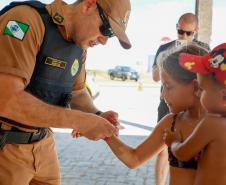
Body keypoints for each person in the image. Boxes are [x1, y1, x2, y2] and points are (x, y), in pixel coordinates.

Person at [0, 0, 131, 184]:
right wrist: (80, 121)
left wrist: (97, 115)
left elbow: (77, 93)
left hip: (44, 145)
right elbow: (6, 100)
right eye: (107, 29)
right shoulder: (25, 20)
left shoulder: (80, 47)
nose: (105, 41)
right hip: (6, 147)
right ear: (89, 5)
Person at [105, 43, 208, 185]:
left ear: (196, 86)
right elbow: (134, 159)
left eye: (168, 86)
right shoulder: (170, 123)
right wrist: (105, 132)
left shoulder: (219, 125)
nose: (162, 95)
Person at [152, 12, 210, 185]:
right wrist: (166, 62)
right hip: (168, 104)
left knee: (199, 148)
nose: (184, 36)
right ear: (176, 27)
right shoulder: (165, 48)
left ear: (196, 31)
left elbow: (209, 78)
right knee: (162, 149)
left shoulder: (204, 48)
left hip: (196, 106)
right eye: (180, 31)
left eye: (189, 33)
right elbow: (155, 77)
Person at [164, 43, 226, 185]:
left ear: (224, 96)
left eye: (203, 89)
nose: (198, 93)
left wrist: (173, 141)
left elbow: (183, 153)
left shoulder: (212, 123)